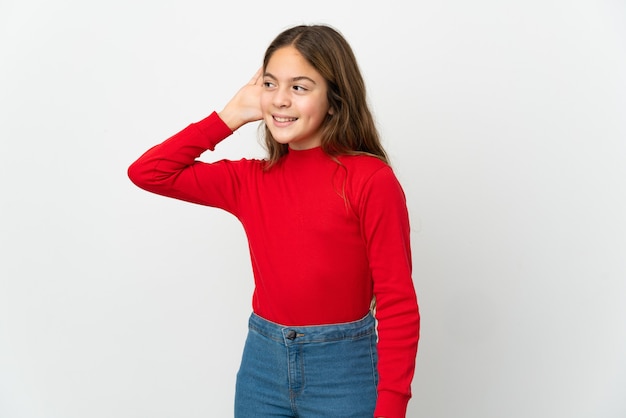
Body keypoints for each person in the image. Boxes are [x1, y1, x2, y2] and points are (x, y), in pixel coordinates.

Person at [128, 24, 420, 418]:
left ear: (334, 100)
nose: (280, 99)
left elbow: (397, 301)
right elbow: (148, 172)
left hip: (344, 371)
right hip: (262, 367)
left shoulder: (370, 181)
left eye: (299, 87)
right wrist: (229, 116)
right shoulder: (250, 181)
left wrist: (392, 407)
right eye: (270, 84)